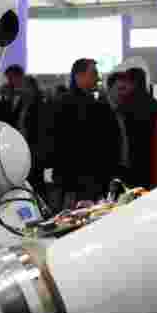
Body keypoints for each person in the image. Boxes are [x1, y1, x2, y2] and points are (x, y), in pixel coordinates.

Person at [51, 58, 119, 208]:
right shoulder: (75, 105)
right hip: (79, 182)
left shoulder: (67, 103)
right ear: (78, 76)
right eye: (93, 73)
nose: (98, 78)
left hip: (78, 180)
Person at [114, 67, 157, 189]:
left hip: (130, 164)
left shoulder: (124, 106)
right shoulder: (156, 105)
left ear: (131, 83)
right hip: (152, 161)